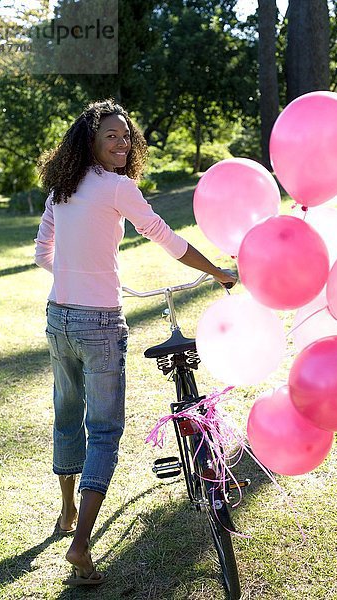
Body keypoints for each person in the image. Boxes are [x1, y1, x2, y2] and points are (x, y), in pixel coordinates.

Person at [34, 98, 237, 586]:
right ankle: (81, 544)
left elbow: (44, 253)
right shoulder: (117, 187)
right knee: (102, 431)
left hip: (59, 318)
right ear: (91, 141)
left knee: (67, 416)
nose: (123, 143)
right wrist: (218, 272)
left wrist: (79, 273)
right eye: (112, 137)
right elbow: (165, 237)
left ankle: (66, 515)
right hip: (99, 324)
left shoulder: (62, 188)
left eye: (127, 135)